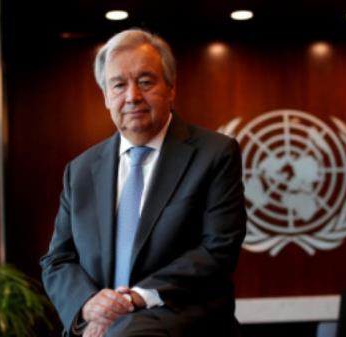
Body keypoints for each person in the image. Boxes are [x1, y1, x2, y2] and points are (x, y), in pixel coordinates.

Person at [40, 28, 247, 337]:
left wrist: (133, 299)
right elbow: (57, 260)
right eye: (119, 85)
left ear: (171, 88)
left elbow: (218, 249)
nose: (132, 96)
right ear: (106, 97)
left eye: (146, 82)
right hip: (98, 326)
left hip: (180, 317)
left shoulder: (214, 155)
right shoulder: (81, 170)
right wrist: (89, 305)